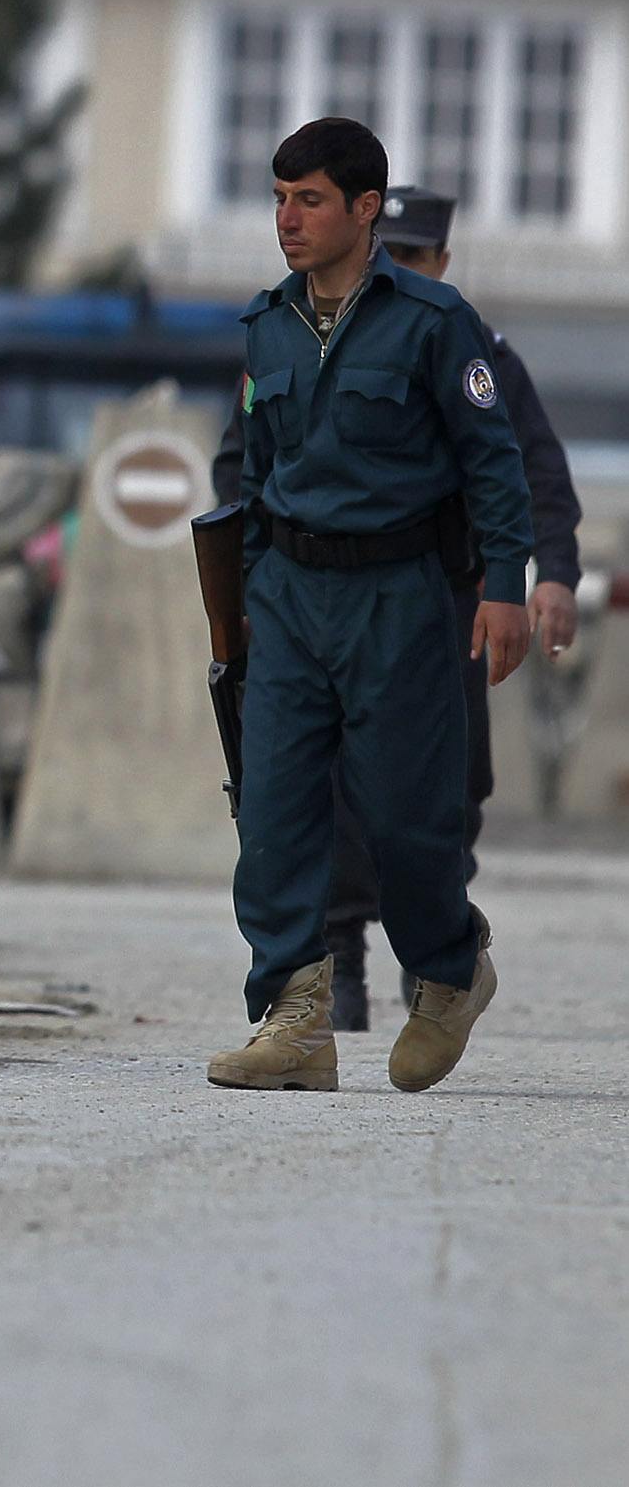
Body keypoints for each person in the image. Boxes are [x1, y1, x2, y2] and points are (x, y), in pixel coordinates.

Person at [206, 182, 582, 1031]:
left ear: (436, 262)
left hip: (431, 602)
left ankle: (439, 957)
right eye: (281, 199)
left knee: (430, 797)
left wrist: (536, 576)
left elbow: (524, 470)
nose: (399, 270)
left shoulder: (457, 336)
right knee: (289, 795)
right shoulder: (278, 329)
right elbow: (245, 467)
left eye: (415, 257)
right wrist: (251, 587)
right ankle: (312, 985)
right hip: (303, 598)